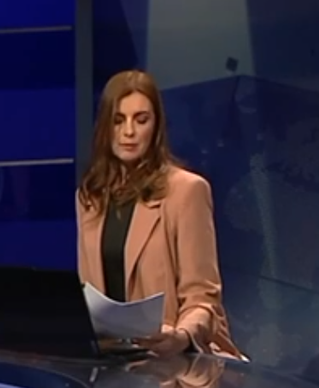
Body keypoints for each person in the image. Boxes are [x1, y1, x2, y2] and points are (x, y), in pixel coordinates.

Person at [76, 69, 243, 358]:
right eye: (118, 120)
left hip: (176, 358)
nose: (129, 132)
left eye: (141, 120)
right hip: (115, 361)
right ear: (104, 127)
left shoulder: (187, 191)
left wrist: (181, 335)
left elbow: (203, 299)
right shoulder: (90, 198)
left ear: (156, 127)